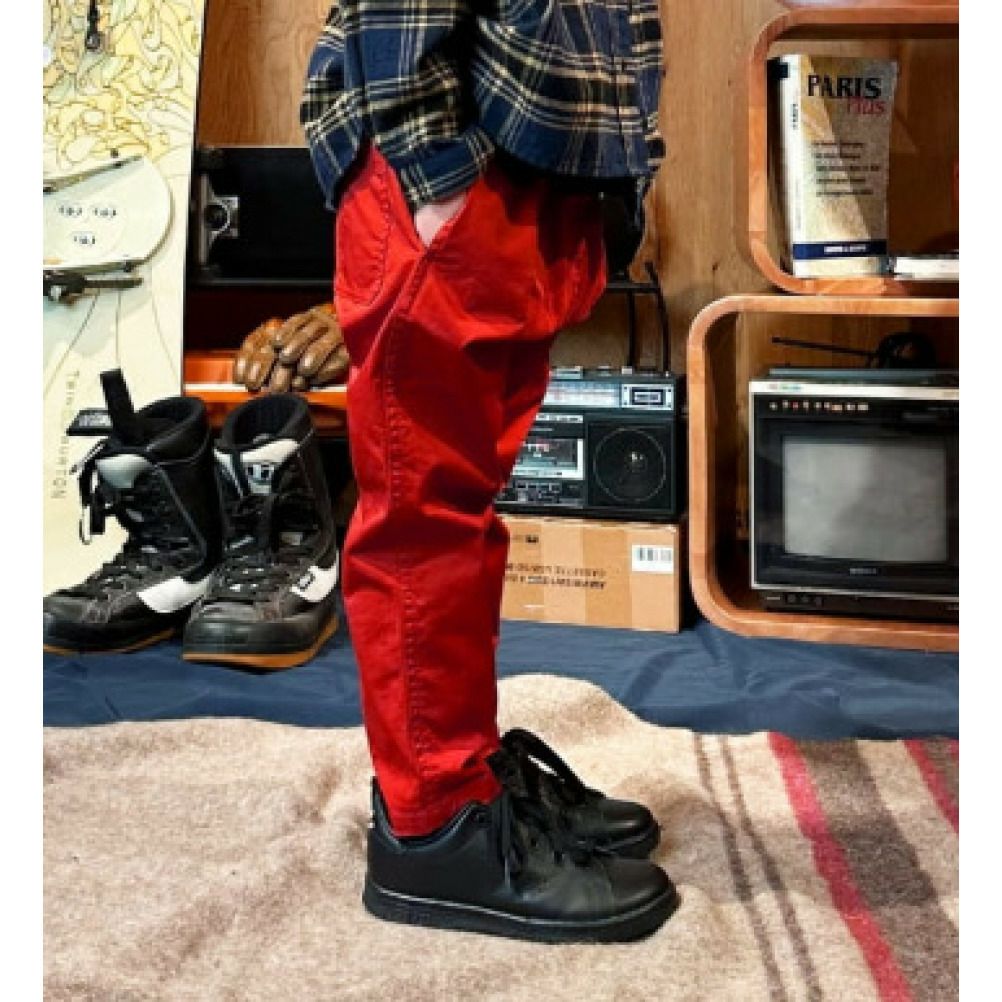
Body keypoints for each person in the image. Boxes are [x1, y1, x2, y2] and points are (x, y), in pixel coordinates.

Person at [300, 0, 678, 942]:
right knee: (423, 517)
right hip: (449, 147)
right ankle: (434, 828)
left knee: (461, 510)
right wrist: (432, 161)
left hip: (527, 154)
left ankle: (463, 768)